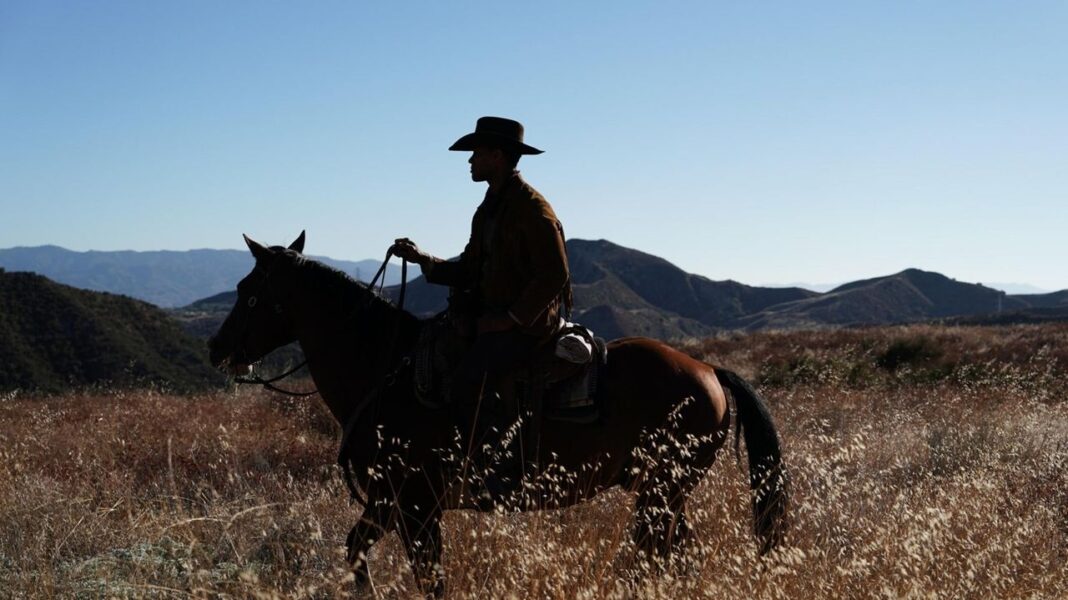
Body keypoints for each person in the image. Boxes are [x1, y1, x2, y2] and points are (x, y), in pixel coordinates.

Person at [391, 116, 572, 503]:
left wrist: (509, 319)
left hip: (530, 322)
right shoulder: (489, 208)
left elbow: (555, 274)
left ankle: (496, 471)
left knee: (471, 375)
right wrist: (425, 259)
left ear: (497, 155)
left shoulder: (532, 210)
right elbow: (472, 268)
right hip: (497, 315)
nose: (470, 161)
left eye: (476, 153)